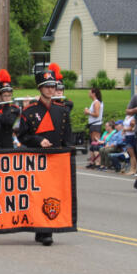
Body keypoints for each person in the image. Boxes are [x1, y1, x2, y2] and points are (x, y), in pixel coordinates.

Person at [17, 69, 72, 246]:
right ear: (40, 88)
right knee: (40, 194)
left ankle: (47, 227)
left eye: (52, 86)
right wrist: (38, 140)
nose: (50, 89)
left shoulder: (62, 111)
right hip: (38, 159)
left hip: (57, 160)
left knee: (54, 194)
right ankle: (43, 230)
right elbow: (21, 136)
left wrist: (67, 154)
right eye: (46, 86)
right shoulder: (29, 111)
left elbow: (67, 137)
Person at [84, 87, 103, 167]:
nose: (89, 94)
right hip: (92, 124)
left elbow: (97, 114)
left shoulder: (96, 103)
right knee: (92, 144)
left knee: (95, 143)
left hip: (96, 125)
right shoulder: (94, 102)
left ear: (94, 93)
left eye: (90, 92)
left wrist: (88, 112)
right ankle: (92, 161)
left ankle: (98, 162)